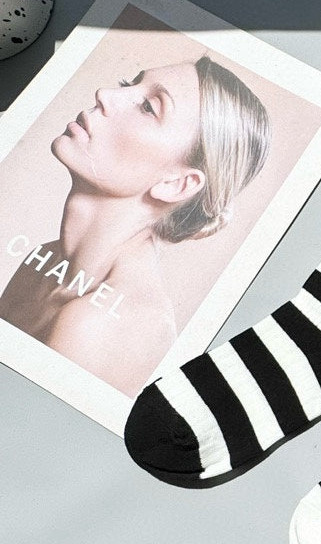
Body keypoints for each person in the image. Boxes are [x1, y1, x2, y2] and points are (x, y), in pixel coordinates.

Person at [0, 55, 270, 396]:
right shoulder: (42, 261)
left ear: (176, 184)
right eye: (130, 84)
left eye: (148, 107)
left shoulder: (100, 325)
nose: (104, 94)